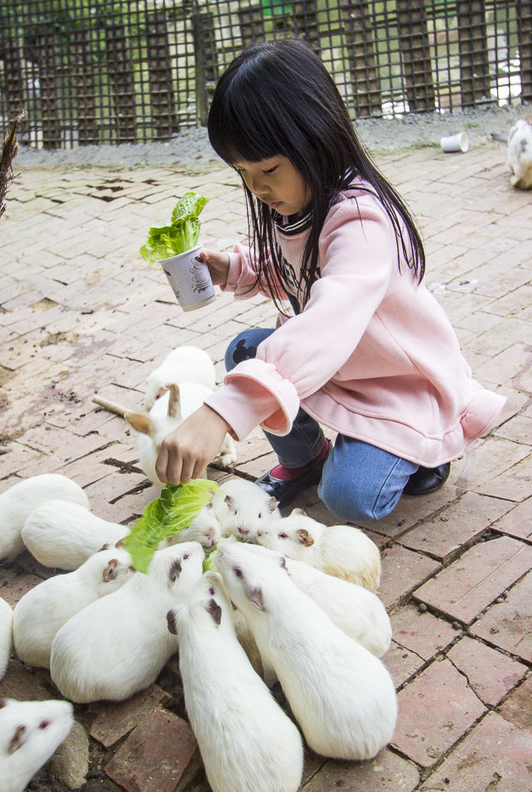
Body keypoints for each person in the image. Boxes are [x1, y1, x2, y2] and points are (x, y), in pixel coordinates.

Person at [154, 38, 506, 523]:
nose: (257, 187)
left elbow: (326, 320)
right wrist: (233, 268)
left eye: (269, 169)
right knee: (246, 350)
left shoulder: (361, 219)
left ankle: (424, 448)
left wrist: (222, 410)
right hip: (343, 366)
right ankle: (306, 460)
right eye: (243, 172)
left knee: (350, 498)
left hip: (396, 386)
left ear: (314, 135)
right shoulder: (299, 203)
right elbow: (297, 274)